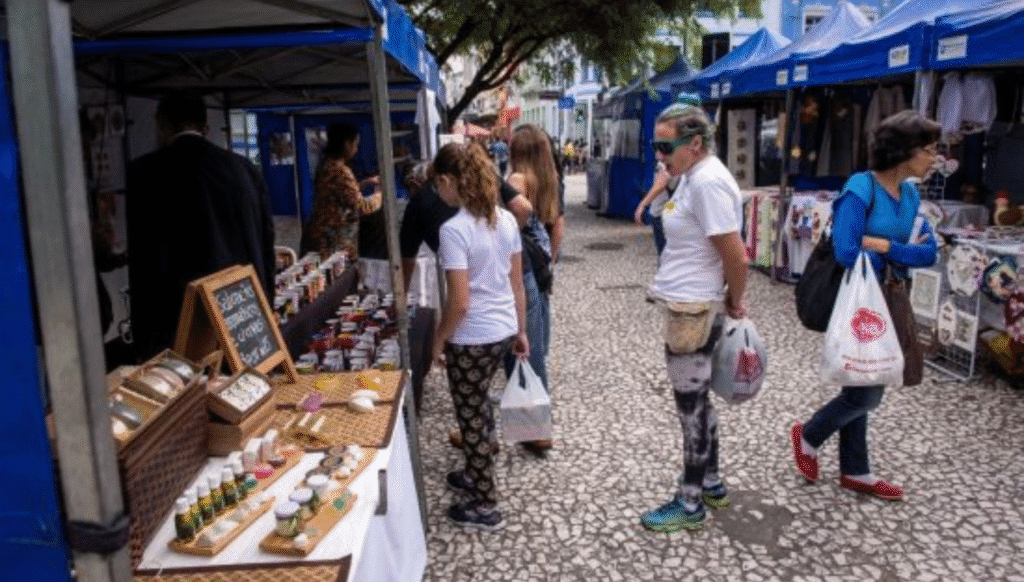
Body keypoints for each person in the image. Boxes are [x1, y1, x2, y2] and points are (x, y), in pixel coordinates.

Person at [791, 110, 940, 501]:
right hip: (858, 299)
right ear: (905, 151)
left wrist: (886, 247)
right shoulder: (861, 187)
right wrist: (896, 254)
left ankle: (856, 469)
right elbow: (845, 250)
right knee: (867, 388)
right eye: (929, 150)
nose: (934, 158)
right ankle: (809, 434)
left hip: (889, 297)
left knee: (864, 375)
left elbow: (930, 255)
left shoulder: (910, 194)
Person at [639, 104, 748, 533]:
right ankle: (713, 482)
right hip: (691, 304)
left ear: (695, 143)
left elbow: (736, 256)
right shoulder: (691, 179)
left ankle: (690, 502)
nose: (659, 155)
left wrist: (736, 301)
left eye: (665, 146)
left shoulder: (706, 183)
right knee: (698, 400)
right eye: (655, 146)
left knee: (690, 408)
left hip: (695, 309)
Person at [126, 92, 275, 361]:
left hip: (175, 318)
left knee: (184, 396)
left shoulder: (144, 173)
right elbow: (265, 242)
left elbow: (143, 257)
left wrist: (143, 338)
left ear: (161, 124)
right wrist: (266, 306)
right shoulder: (243, 169)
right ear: (205, 126)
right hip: (238, 311)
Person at [431, 141, 529, 530]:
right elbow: (517, 282)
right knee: (479, 405)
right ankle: (475, 473)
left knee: (470, 414)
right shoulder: (505, 219)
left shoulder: (453, 230)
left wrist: (438, 340)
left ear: (447, 181)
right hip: (503, 329)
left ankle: (485, 504)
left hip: (472, 339)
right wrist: (521, 330)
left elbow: (459, 303)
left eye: (439, 185)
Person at [506, 124, 564, 414]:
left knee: (526, 339)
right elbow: (558, 224)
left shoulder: (518, 179)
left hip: (524, 263)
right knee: (540, 332)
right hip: (541, 263)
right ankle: (534, 404)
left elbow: (514, 217)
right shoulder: (550, 177)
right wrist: (550, 260)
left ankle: (533, 412)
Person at [300, 122, 380, 259]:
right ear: (347, 144)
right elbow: (362, 207)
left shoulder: (326, 165)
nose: (356, 147)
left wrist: (365, 183)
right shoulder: (341, 172)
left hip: (323, 239)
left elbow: (340, 194)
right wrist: (381, 194)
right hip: (335, 245)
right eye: (355, 143)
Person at [633, 161, 673, 259]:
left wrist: (643, 204)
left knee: (665, 256)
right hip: (663, 212)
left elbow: (661, 184)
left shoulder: (667, 163)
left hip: (662, 214)